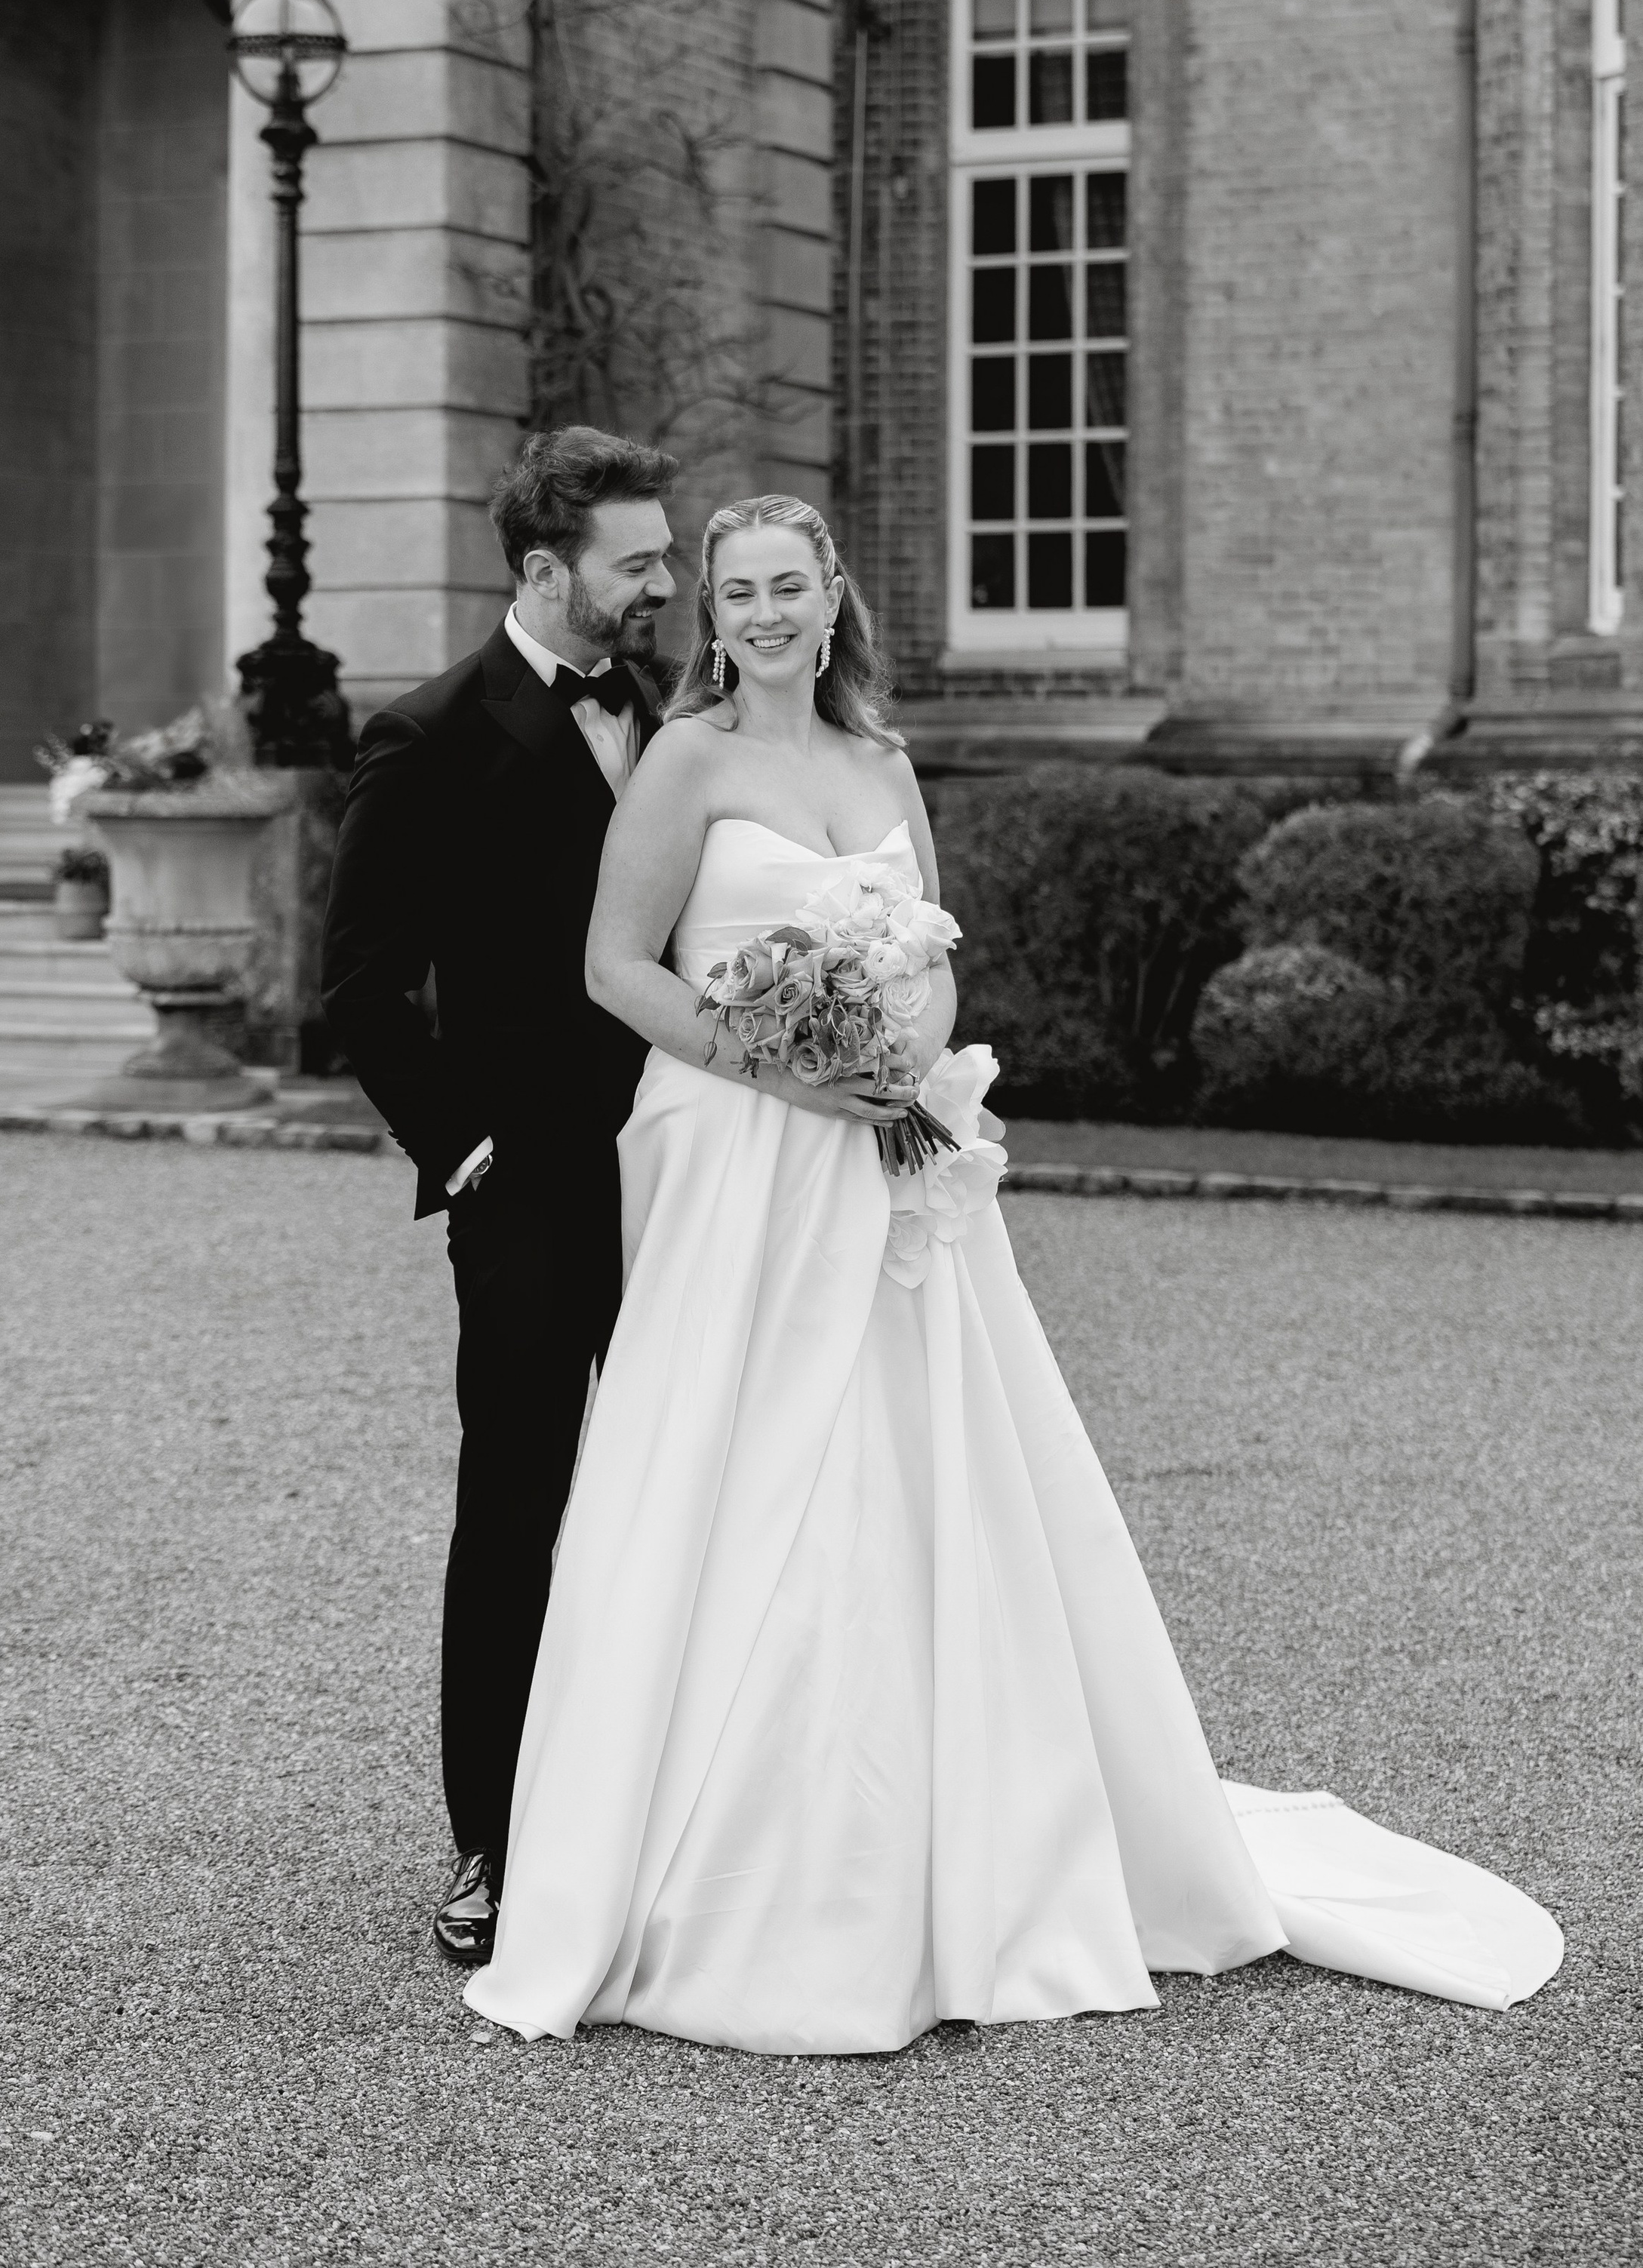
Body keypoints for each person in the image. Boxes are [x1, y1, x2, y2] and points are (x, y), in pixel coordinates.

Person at [463, 493, 1563, 2050]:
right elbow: (612, 966)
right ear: (712, 613)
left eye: (791, 585)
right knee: (740, 1456)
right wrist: (778, 1068)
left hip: (885, 1154)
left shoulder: (880, 763)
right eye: (739, 593)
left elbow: (924, 949)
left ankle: (945, 1841)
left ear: (834, 594)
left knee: (913, 1470)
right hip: (733, 1158)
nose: (767, 614)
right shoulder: (688, 758)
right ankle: (705, 1870)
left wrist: (899, 1064)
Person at [320, 426, 677, 1968]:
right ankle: (495, 1840)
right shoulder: (428, 734)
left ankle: (666, 1817)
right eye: (637, 559)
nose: (662, 578)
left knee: (682, 1481)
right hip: (526, 1182)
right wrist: (463, 1156)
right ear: (545, 569)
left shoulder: (667, 713)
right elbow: (361, 988)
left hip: (683, 1169)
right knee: (516, 1507)